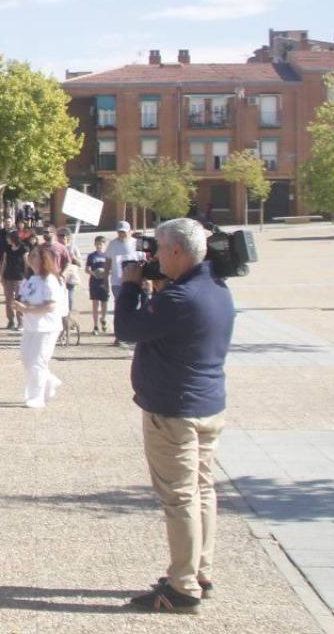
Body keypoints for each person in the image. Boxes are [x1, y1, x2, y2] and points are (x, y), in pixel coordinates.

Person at [117, 218, 237, 613]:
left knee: (180, 497)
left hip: (174, 410)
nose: (152, 258)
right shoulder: (217, 289)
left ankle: (183, 586)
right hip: (207, 404)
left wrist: (132, 286)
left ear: (176, 252)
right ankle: (200, 570)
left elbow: (128, 328)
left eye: (158, 250)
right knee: (202, 489)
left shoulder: (179, 298)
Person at [14, 246, 66, 409]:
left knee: (38, 361)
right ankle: (50, 381)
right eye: (30, 256)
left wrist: (27, 309)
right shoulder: (30, 279)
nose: (31, 258)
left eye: (35, 256)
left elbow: (50, 306)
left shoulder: (50, 279)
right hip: (31, 326)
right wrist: (19, 305)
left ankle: (36, 396)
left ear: (43, 259)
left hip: (47, 327)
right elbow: (24, 298)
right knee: (25, 357)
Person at [0, 229, 29, 332]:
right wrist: (1, 275)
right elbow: (4, 262)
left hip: (20, 277)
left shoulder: (23, 249)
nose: (7, 239)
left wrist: (27, 277)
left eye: (9, 238)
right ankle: (10, 320)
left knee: (19, 300)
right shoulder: (7, 248)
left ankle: (20, 321)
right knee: (8, 300)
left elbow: (26, 263)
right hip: (8, 276)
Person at [86, 235, 112, 334]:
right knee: (95, 303)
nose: (99, 246)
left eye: (101, 244)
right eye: (97, 244)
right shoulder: (91, 256)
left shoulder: (107, 256)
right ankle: (95, 326)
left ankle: (103, 319)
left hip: (104, 282)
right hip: (94, 282)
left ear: (104, 245)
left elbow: (111, 269)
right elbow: (87, 269)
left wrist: (105, 273)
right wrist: (94, 273)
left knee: (104, 303)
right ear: (95, 244)